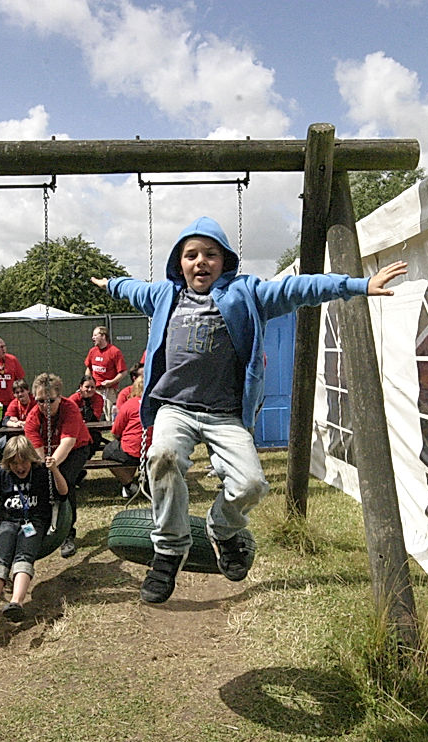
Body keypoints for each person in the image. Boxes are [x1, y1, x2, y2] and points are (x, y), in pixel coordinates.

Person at [90, 215, 407, 603]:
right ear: (180, 262)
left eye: (210, 254)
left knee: (252, 485)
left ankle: (222, 529)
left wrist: (356, 285)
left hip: (224, 413)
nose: (201, 261)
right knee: (164, 457)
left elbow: (298, 288)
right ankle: (170, 549)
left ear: (225, 261)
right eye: (191, 255)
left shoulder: (247, 293)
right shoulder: (164, 295)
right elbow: (133, 289)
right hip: (175, 407)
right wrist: (110, 283)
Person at [0, 436, 68, 631]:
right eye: (14, 463)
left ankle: (16, 603)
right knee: (1, 560)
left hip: (34, 523)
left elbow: (63, 493)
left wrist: (54, 469)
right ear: (7, 463)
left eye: (23, 462)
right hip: (7, 522)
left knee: (24, 556)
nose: (19, 467)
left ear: (31, 459)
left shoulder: (41, 473)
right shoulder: (1, 475)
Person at [24, 372, 94, 558]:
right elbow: (37, 451)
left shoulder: (69, 409)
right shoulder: (32, 418)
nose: (45, 406)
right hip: (47, 453)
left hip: (76, 449)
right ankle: (41, 525)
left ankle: (67, 533)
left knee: (64, 483)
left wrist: (53, 466)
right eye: (40, 401)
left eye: (50, 401)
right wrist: (44, 467)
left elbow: (68, 443)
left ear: (59, 397)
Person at [104, 375, 151, 498]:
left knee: (108, 453)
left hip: (133, 450)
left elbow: (115, 431)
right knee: (126, 451)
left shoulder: (129, 404)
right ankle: (140, 484)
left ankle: (129, 485)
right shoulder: (156, 404)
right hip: (153, 449)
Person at [0, 336, 25, 438]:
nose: (3, 349)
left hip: (10, 402)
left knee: (11, 429)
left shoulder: (12, 360)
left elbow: (20, 379)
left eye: (4, 346)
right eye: (0, 347)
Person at [84, 325, 126, 419]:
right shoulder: (92, 351)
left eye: (95, 335)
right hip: (95, 390)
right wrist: (88, 383)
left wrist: (111, 382)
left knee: (111, 416)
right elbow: (88, 368)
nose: (93, 338)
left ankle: (113, 432)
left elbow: (123, 372)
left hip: (109, 390)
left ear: (103, 336)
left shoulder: (114, 352)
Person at [68, 373, 105, 457]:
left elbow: (95, 417)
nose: (89, 389)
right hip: (76, 431)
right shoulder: (73, 399)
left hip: (92, 431)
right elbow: (69, 417)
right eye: (87, 387)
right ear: (81, 387)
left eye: (92, 387)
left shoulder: (98, 398)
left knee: (95, 438)